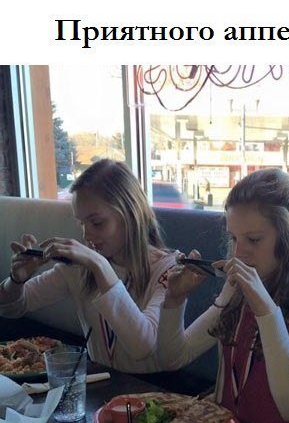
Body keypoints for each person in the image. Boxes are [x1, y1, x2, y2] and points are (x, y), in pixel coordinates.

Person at [157, 168, 289, 423]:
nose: (238, 253)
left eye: (253, 240)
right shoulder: (236, 289)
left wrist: (265, 308)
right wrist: (174, 300)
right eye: (234, 239)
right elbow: (173, 357)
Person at [0, 159, 176, 373]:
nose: (86, 235)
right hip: (98, 383)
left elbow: (143, 347)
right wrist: (16, 280)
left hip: (156, 388)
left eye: (97, 223)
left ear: (131, 214)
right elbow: (12, 308)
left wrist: (99, 265)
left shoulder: (169, 270)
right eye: (81, 223)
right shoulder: (79, 267)